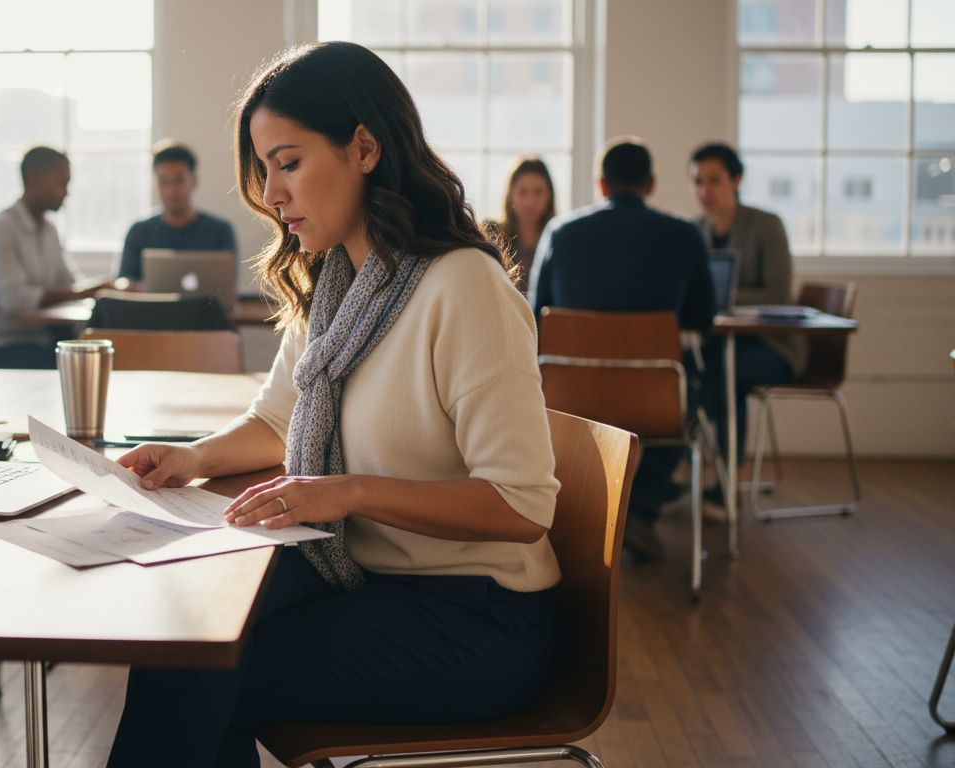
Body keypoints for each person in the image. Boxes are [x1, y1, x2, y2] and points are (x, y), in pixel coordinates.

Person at [105, 41, 562, 768]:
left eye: (288, 162)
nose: (270, 192)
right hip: (375, 582)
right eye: (263, 169)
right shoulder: (343, 286)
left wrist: (345, 493)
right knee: (189, 639)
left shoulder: (463, 287)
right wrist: (190, 458)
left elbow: (522, 505)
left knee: (208, 667)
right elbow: (276, 420)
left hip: (477, 615)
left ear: (365, 148)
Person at [530, 138, 715, 561]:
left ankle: (586, 516)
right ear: (651, 184)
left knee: (592, 415)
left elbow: (535, 318)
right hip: (657, 401)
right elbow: (702, 319)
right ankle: (641, 512)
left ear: (600, 184)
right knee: (690, 394)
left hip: (570, 399)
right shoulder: (685, 234)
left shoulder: (561, 231)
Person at [689, 142, 805, 471]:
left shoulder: (766, 225)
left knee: (724, 373)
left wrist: (721, 297)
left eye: (714, 180)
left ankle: (724, 477)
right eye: (698, 182)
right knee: (691, 370)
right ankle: (694, 470)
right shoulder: (696, 230)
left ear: (736, 179)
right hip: (716, 342)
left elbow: (779, 294)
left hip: (773, 346)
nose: (705, 190)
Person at [0, 147, 106, 369]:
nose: (66, 192)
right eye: (61, 183)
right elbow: (13, 300)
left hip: (39, 341)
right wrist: (87, 291)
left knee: (94, 355)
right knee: (77, 367)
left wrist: (100, 290)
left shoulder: (49, 231)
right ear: (35, 179)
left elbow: (68, 284)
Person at [116, 140, 238, 285]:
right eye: (164, 182)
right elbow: (124, 283)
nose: (171, 190)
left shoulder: (219, 231)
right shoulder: (138, 231)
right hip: (148, 308)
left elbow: (227, 289)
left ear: (194, 182)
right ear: (156, 185)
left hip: (201, 308)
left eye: (179, 180)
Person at [484, 157, 556, 291]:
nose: (530, 201)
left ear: (549, 196)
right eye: (523, 192)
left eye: (538, 192)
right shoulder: (492, 234)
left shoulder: (558, 239)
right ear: (510, 194)